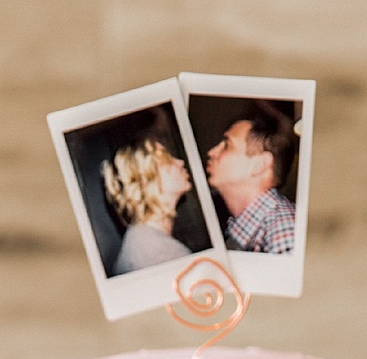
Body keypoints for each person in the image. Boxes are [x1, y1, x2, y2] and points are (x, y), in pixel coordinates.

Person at [205, 105, 297, 254]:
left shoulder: (284, 232)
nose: (212, 152)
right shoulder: (248, 227)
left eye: (227, 146)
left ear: (259, 165)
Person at [100, 138, 193, 276]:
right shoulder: (161, 254)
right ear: (145, 181)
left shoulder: (142, 238)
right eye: (166, 159)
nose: (180, 162)